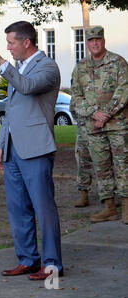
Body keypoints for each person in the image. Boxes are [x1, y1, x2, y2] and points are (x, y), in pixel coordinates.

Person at [0, 21, 63, 280]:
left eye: (11, 43)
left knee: (43, 207)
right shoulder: (18, 69)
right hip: (13, 149)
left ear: (26, 42)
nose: (8, 48)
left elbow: (28, 87)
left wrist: (1, 62)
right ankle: (28, 259)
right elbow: (12, 111)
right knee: (18, 208)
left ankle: (52, 265)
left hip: (37, 148)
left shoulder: (48, 67)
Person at [70, 26, 128, 224]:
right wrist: (94, 113)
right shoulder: (80, 68)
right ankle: (109, 207)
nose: (95, 43)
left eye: (98, 39)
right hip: (94, 127)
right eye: (91, 40)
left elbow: (124, 89)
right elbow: (76, 96)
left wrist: (107, 113)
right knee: (102, 168)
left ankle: (127, 206)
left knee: (123, 166)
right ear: (87, 43)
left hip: (118, 125)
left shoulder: (118, 62)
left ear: (103, 40)